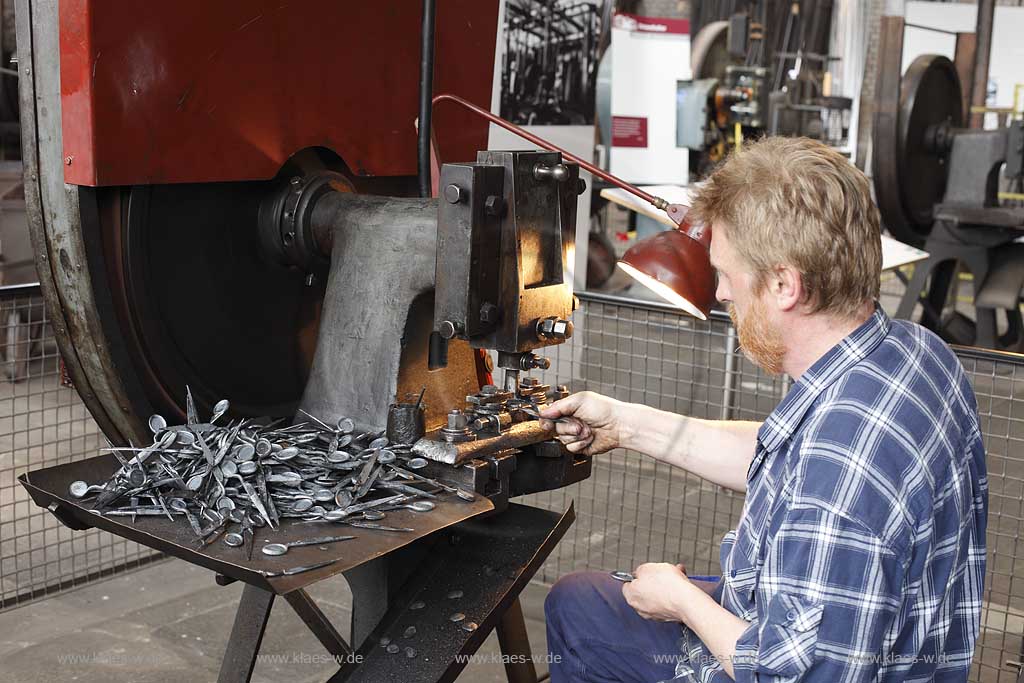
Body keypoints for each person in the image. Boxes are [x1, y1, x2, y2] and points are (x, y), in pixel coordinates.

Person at [539, 137, 988, 683]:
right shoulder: (914, 351)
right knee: (581, 598)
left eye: (726, 273)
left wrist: (683, 601)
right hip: (867, 636)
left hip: (788, 664)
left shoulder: (842, 474)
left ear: (783, 284)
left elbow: (792, 676)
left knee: (577, 613)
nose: (721, 293)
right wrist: (627, 424)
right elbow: (787, 456)